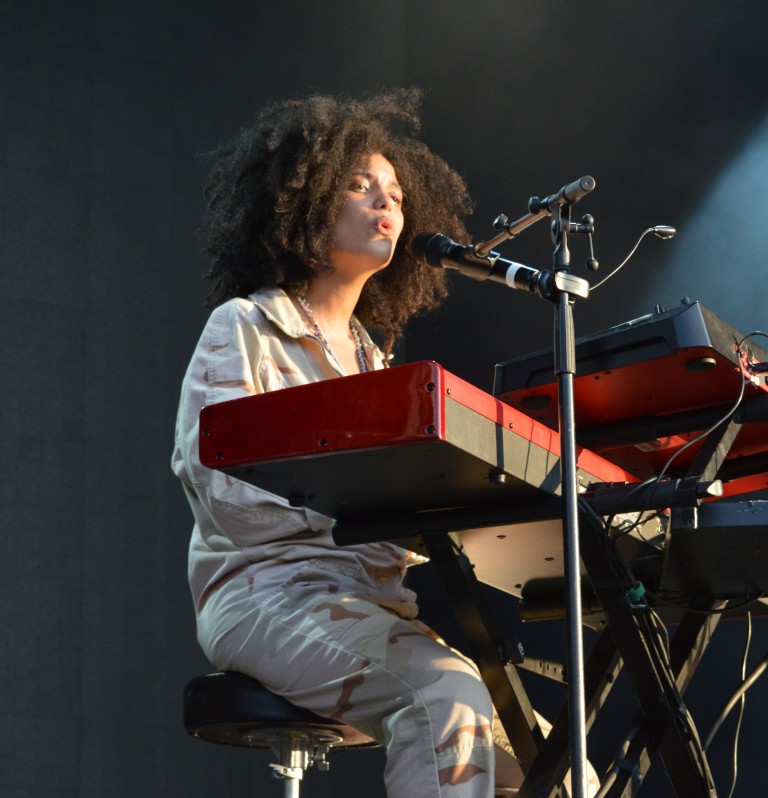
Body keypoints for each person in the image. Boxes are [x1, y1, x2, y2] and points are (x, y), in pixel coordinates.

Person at [172, 89, 518, 798]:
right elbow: (225, 495)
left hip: (372, 608)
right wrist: (366, 507)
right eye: (360, 187)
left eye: (393, 192)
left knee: (543, 757)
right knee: (445, 701)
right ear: (308, 203)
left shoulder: (373, 363)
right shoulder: (245, 327)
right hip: (267, 595)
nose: (385, 204)